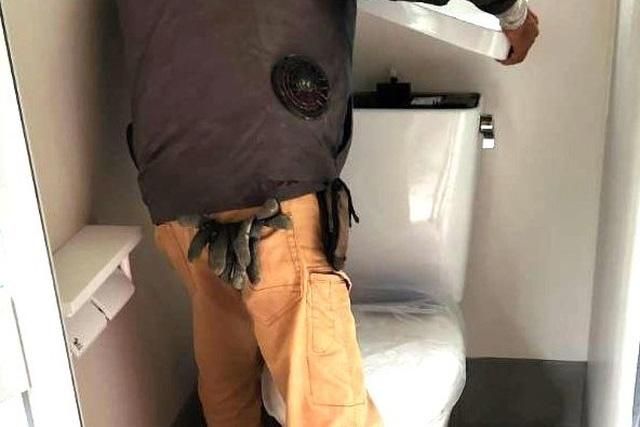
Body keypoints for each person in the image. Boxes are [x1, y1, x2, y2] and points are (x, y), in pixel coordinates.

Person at [115, 0, 539, 425]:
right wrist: (513, 15)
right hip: (271, 183)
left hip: (173, 181)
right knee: (330, 408)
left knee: (226, 366)